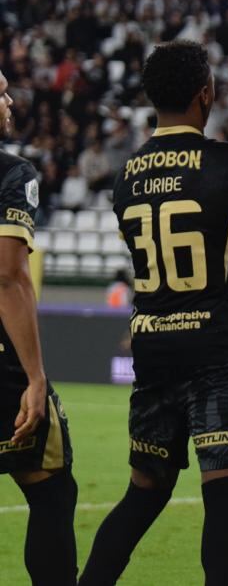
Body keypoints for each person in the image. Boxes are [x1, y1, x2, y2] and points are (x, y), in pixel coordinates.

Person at [80, 41, 228, 585]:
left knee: (142, 493)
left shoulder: (127, 175)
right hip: (215, 348)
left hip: (153, 347)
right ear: (205, 94)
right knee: (225, 498)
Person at [0, 67, 78, 586]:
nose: (9, 100)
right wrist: (35, 376)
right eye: (0, 92)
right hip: (4, 371)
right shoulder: (13, 173)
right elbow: (8, 277)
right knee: (52, 489)